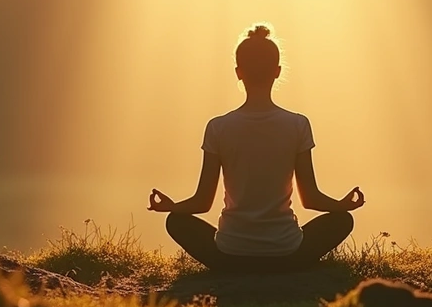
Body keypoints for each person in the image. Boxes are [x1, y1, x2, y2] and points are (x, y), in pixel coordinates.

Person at [147, 23, 364, 273]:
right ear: (278, 71)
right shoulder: (297, 124)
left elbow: (202, 202)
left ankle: (237, 266)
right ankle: (287, 268)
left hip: (230, 254)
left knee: (177, 222)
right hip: (287, 252)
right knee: (342, 220)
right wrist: (342, 205)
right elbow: (311, 198)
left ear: (239, 72)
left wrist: (170, 207)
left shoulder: (218, 127)